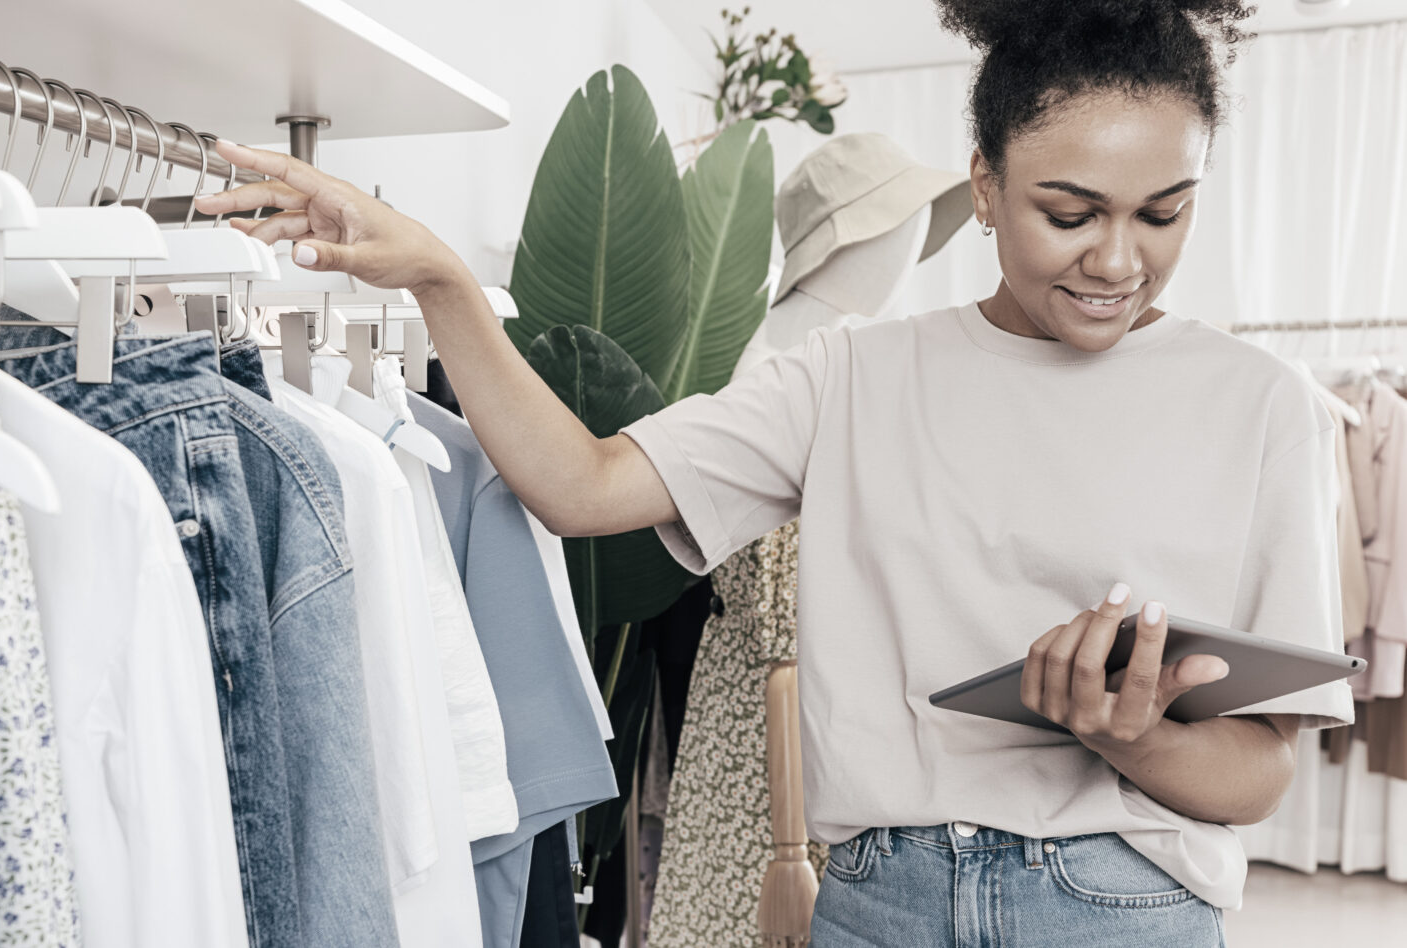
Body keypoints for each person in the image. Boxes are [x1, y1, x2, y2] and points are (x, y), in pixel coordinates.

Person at [194, 0, 1353, 942]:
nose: (1118, 257)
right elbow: (584, 486)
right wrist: (442, 282)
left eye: (1164, 213)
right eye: (1069, 211)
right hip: (881, 906)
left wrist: (1125, 732)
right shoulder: (848, 377)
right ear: (987, 186)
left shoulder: (1264, 410)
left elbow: (1256, 778)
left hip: (1122, 909)